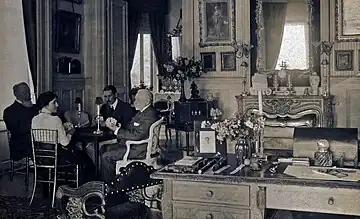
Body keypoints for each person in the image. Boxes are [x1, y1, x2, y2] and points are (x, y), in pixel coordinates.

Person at [87, 89, 160, 182]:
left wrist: (116, 130)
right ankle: (108, 177)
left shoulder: (149, 115)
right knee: (104, 148)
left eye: (138, 99)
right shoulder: (143, 112)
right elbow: (133, 128)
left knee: (106, 156)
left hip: (139, 149)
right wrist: (118, 126)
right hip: (135, 145)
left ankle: (108, 185)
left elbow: (136, 135)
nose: (135, 101)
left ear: (147, 101)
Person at [31, 91, 76, 157]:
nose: (57, 105)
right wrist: (70, 133)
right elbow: (65, 143)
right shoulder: (55, 119)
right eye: (54, 102)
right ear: (45, 105)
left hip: (39, 157)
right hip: (56, 157)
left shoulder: (34, 119)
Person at [3, 82, 38, 163]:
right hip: (20, 144)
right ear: (16, 94)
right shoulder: (9, 111)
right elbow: (16, 130)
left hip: (36, 140)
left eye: (28, 92)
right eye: (24, 92)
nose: (28, 95)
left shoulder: (35, 107)